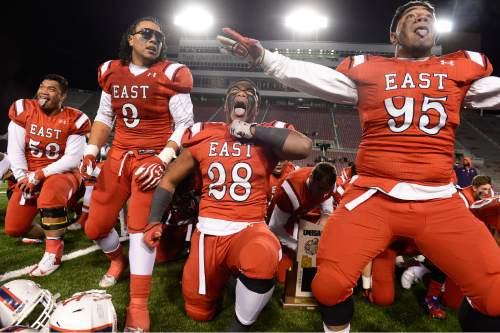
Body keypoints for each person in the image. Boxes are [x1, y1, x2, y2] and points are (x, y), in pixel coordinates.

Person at [218, 1, 500, 331]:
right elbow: (320, 79)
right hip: (373, 196)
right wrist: (265, 58)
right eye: (412, 16)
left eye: (428, 16)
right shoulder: (371, 70)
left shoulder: (459, 70)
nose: (422, 17)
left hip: (438, 199)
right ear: (394, 35)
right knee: (328, 286)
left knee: (495, 296)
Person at [144, 79, 312, 331]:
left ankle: (241, 323)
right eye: (235, 92)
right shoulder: (202, 132)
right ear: (226, 104)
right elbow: (169, 178)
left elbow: (304, 146)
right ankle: (230, 280)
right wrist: (154, 220)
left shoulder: (267, 133)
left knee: (263, 254)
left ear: (256, 107)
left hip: (248, 228)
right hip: (208, 232)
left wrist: (252, 131)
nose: (241, 95)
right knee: (198, 312)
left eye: (248, 93)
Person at [79, 16, 194, 331]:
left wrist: (163, 158)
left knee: (144, 232)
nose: (154, 39)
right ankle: (117, 260)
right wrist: (91, 151)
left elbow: (185, 124)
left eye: (159, 35)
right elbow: (105, 116)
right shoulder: (111, 72)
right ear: (130, 38)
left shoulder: (171, 73)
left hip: (152, 160)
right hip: (117, 157)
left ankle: (138, 305)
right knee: (95, 228)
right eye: (146, 33)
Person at [5, 74, 90, 276]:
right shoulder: (23, 109)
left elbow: (71, 159)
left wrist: (39, 175)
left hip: (63, 174)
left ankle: (54, 254)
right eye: (42, 86)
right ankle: (51, 234)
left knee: (51, 191)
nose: (44, 91)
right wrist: (23, 176)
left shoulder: (75, 119)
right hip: (29, 174)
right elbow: (15, 148)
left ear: (63, 96)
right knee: (14, 229)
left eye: (51, 89)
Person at [268, 163, 337, 284]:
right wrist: (297, 247)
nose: (323, 194)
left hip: (306, 215)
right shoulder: (289, 192)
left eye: (327, 190)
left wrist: (325, 217)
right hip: (287, 220)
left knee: (310, 267)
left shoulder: (329, 185)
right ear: (310, 179)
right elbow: (274, 227)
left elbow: (327, 199)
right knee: (284, 277)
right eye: (320, 189)